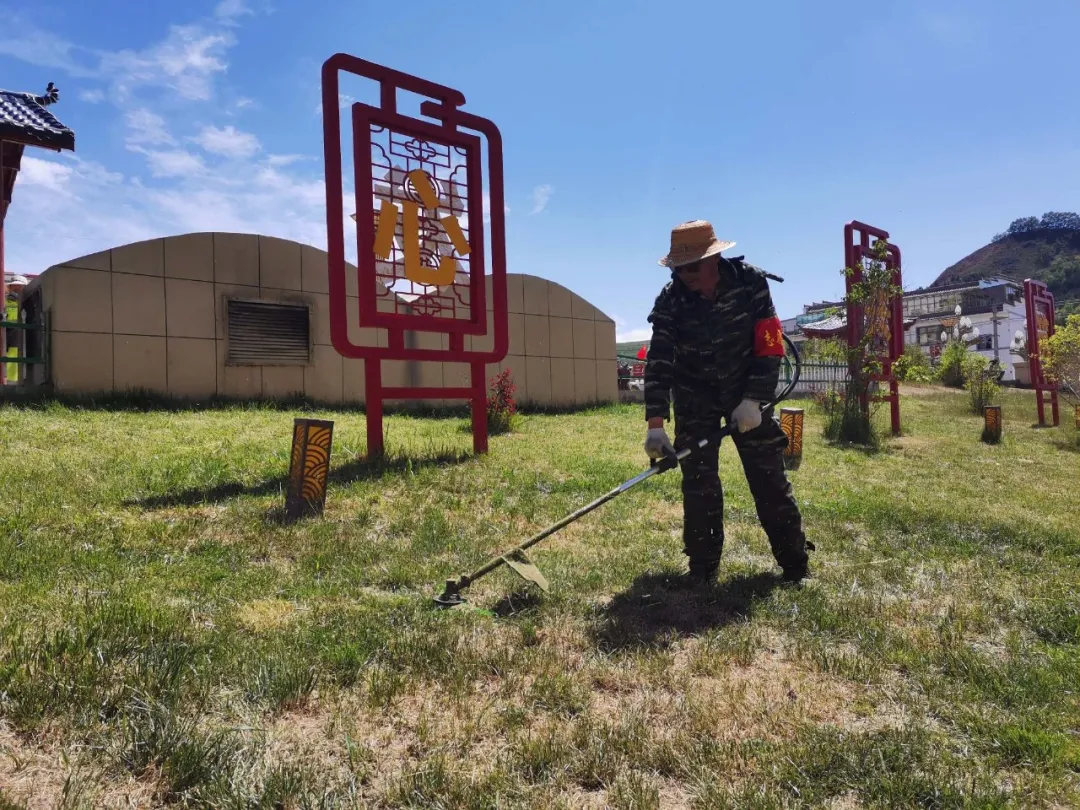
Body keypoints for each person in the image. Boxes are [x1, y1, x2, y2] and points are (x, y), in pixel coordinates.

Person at [642, 220, 813, 585]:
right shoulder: (671, 299)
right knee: (699, 484)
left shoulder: (750, 282)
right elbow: (659, 360)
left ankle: (795, 566)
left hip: (746, 390)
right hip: (694, 396)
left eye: (690, 266)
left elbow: (770, 344)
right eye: (677, 268)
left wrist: (754, 400)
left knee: (769, 479)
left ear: (714, 259)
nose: (683, 274)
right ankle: (702, 570)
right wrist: (655, 425)